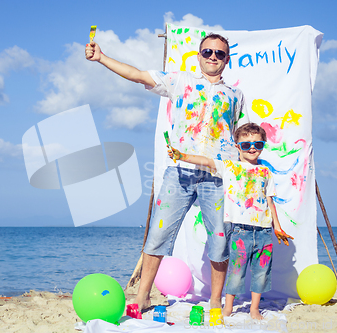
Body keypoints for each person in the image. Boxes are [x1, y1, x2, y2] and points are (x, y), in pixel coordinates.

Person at [86, 33, 249, 311]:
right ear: (199, 56)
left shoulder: (236, 95)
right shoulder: (180, 81)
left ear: (227, 59)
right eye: (208, 52)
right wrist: (101, 58)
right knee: (157, 236)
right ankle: (142, 296)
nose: (212, 57)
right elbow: (137, 75)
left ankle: (214, 303)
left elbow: (242, 139)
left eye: (219, 53)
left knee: (220, 240)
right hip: (180, 174)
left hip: (219, 178)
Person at [168, 123, 293, 320]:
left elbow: (270, 201)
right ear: (237, 146)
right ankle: (228, 308)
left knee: (261, 272)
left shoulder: (266, 172)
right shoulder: (230, 167)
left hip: (263, 232)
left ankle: (254, 308)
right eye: (246, 145)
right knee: (236, 272)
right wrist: (182, 156)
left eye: (258, 144)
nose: (252, 148)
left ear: (263, 145)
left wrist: (277, 227)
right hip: (240, 231)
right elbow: (207, 161)